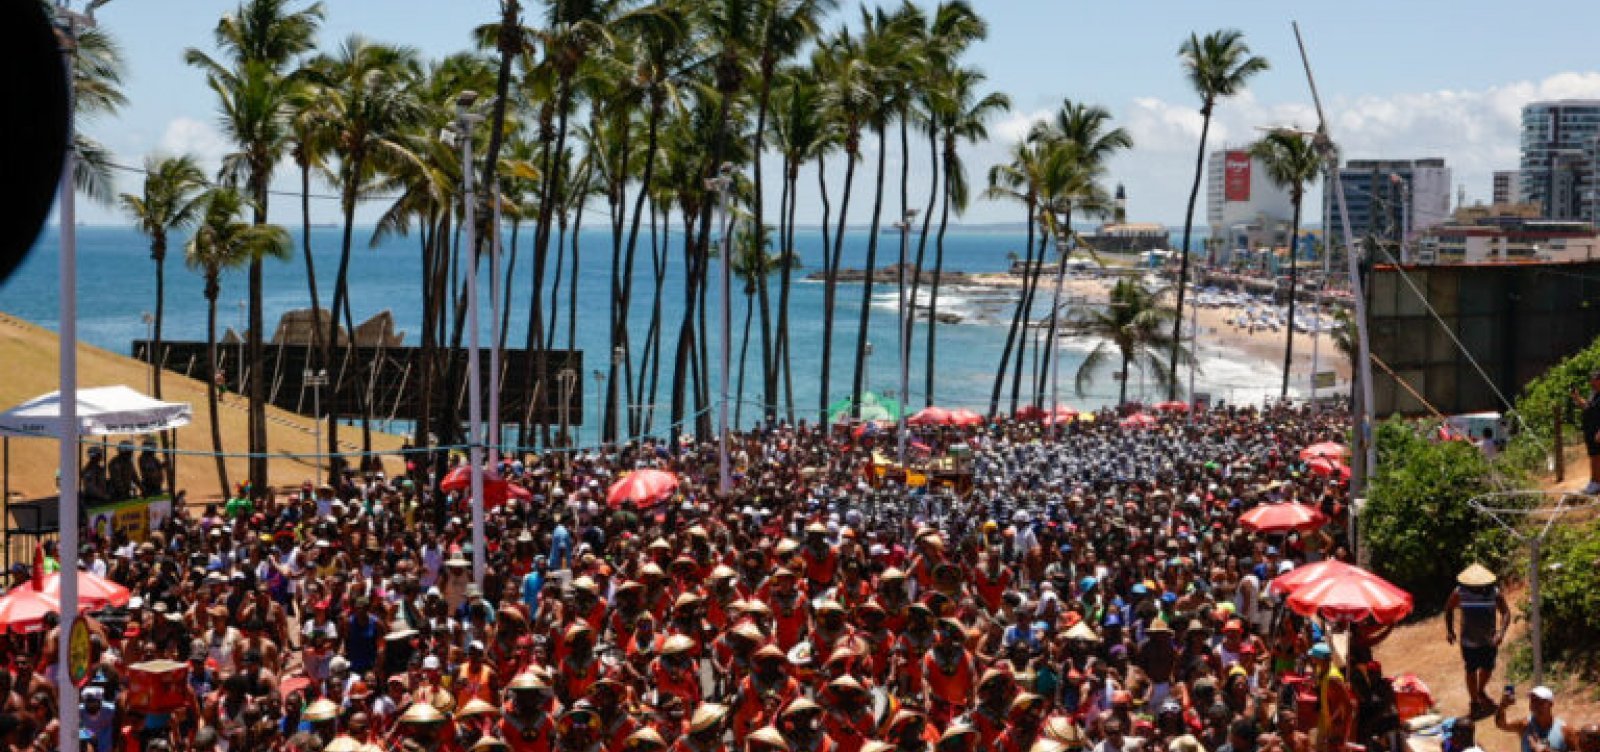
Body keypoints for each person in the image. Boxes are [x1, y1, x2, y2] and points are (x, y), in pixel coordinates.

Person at [1444, 563, 1510, 717]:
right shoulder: (1459, 592)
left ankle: (1480, 691)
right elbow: (1448, 609)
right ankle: (1474, 701)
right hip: (1469, 641)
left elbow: (1505, 612)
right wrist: (1450, 631)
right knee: (1471, 670)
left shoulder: (1494, 592)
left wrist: (1501, 633)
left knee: (1487, 668)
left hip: (1489, 640)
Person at [1496, 686, 1569, 752]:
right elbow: (1501, 725)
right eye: (1533, 701)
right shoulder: (1525, 724)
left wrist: (1547, 751)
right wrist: (1503, 706)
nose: (1535, 705)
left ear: (1551, 704)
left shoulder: (1565, 730)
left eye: (1540, 702)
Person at [1572, 370, 1600, 494]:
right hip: (1590, 430)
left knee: (1598, 457)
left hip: (1598, 431)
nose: (1591, 382)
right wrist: (1577, 398)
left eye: (1593, 380)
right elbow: (1587, 406)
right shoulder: (1593, 393)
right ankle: (1593, 481)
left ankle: (1597, 483)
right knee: (1593, 456)